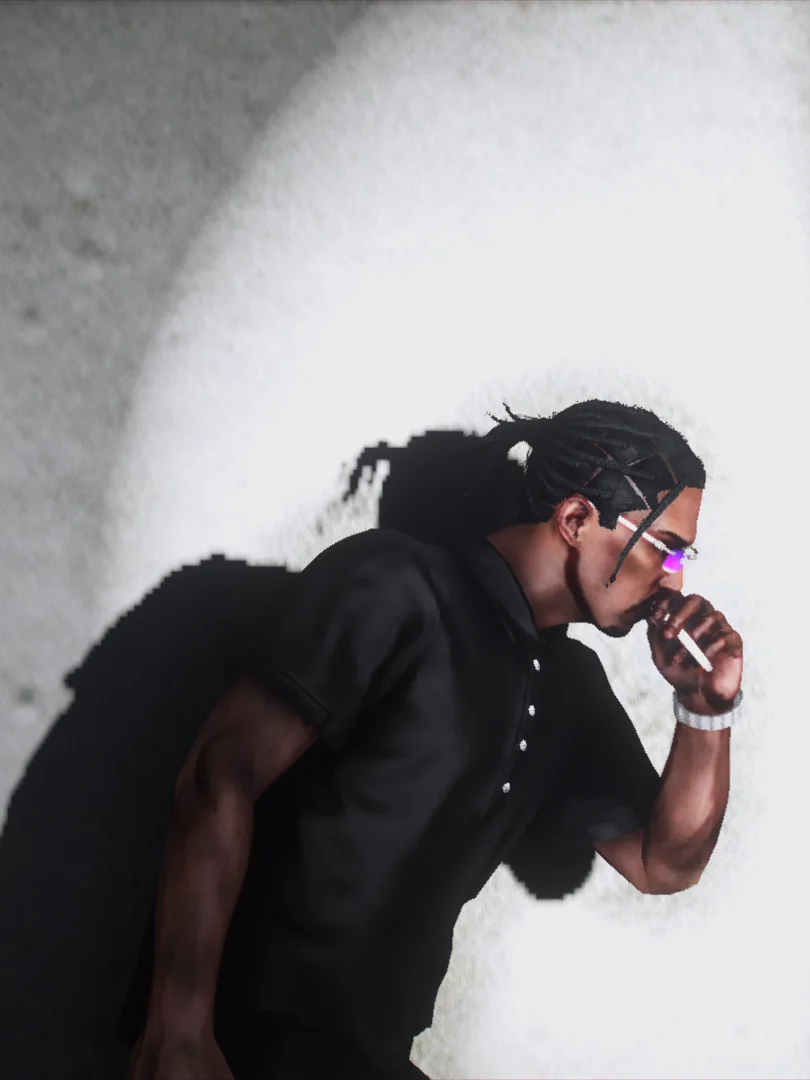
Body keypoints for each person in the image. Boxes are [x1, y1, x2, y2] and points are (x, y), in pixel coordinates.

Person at [126, 399, 744, 1080]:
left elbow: (664, 865)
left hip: (370, 1054)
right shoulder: (396, 586)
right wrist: (177, 1027)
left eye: (684, 554)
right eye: (664, 546)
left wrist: (706, 708)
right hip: (241, 1035)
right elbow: (220, 774)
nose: (674, 579)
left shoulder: (571, 687)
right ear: (574, 519)